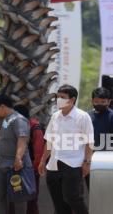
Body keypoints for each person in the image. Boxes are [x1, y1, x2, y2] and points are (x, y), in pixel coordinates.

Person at [39, 85, 93, 214]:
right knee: (58, 203)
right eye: (58, 97)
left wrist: (87, 163)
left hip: (73, 164)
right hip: (53, 164)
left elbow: (89, 142)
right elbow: (49, 140)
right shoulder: (55, 116)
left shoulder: (82, 116)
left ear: (72, 100)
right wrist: (42, 161)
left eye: (62, 97)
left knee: (73, 198)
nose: (59, 99)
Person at [0, 94, 33, 214]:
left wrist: (18, 158)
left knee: (19, 197)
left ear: (2, 106)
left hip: (16, 165)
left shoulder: (19, 119)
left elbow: (22, 139)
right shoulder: (5, 120)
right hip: (2, 164)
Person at [85, 87, 113, 189]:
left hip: (109, 161)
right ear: (92, 101)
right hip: (90, 161)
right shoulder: (87, 116)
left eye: (103, 102)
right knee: (92, 191)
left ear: (108, 102)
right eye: (96, 101)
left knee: (107, 191)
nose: (99, 104)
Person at [14, 104, 44, 214]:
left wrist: (35, 170)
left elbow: (39, 150)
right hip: (16, 169)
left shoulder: (34, 127)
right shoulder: (15, 126)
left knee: (31, 199)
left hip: (30, 170)